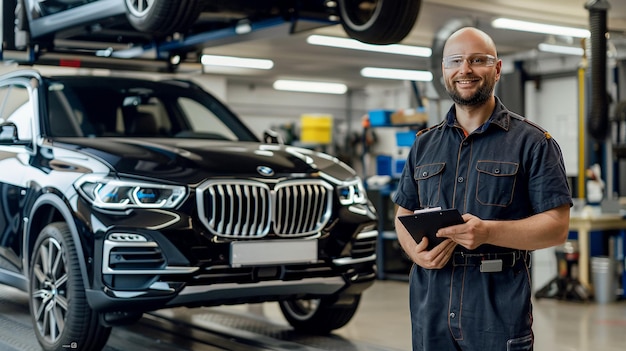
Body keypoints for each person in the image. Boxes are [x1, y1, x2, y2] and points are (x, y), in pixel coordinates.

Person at [392, 27, 572, 351]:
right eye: (456, 61)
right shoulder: (423, 144)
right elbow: (403, 212)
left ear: (497, 69)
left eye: (478, 60)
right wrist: (415, 252)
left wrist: (487, 232)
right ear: (444, 71)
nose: (466, 70)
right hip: (430, 309)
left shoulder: (533, 143)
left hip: (496, 313)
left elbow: (556, 228)